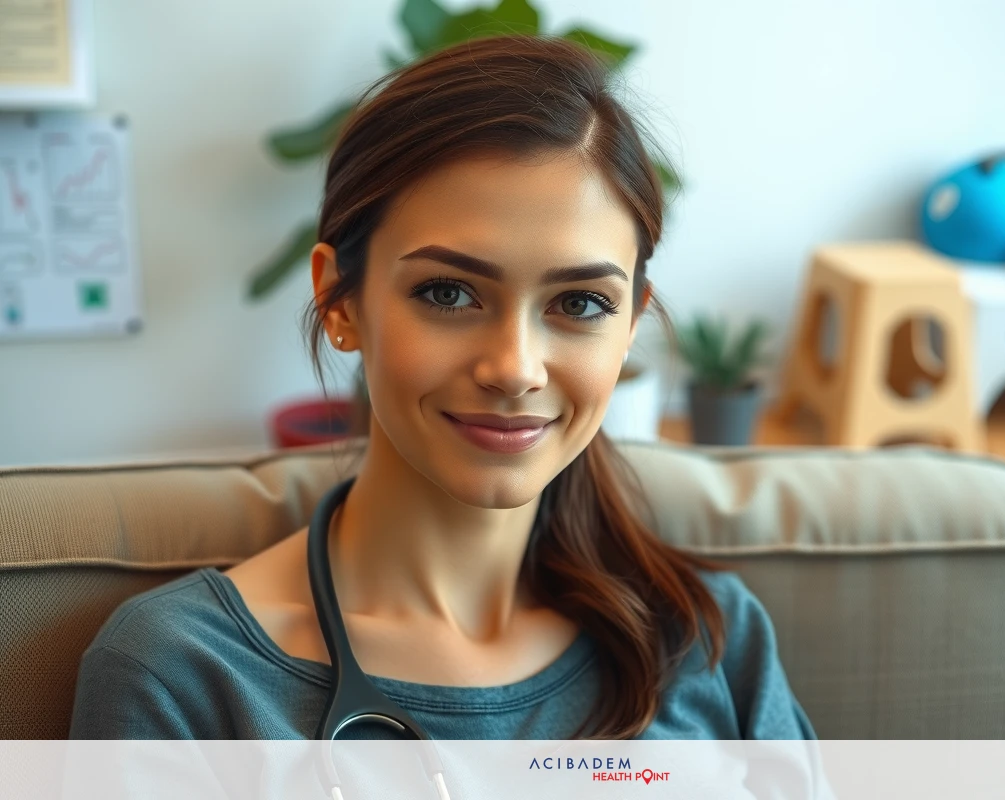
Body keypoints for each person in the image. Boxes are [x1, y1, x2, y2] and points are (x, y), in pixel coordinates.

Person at [69, 33, 818, 742]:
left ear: (630, 327)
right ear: (340, 301)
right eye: (449, 294)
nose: (516, 367)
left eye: (581, 304)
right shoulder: (182, 677)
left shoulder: (707, 637)